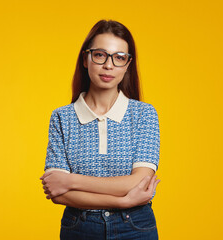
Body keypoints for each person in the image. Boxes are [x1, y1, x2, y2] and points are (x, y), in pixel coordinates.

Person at [40, 19, 161, 240]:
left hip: (135, 227)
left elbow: (139, 181)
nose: (108, 65)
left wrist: (71, 181)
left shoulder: (144, 114)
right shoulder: (62, 117)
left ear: (127, 65)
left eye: (119, 58)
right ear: (86, 59)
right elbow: (58, 194)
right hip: (79, 227)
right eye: (99, 55)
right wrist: (122, 200)